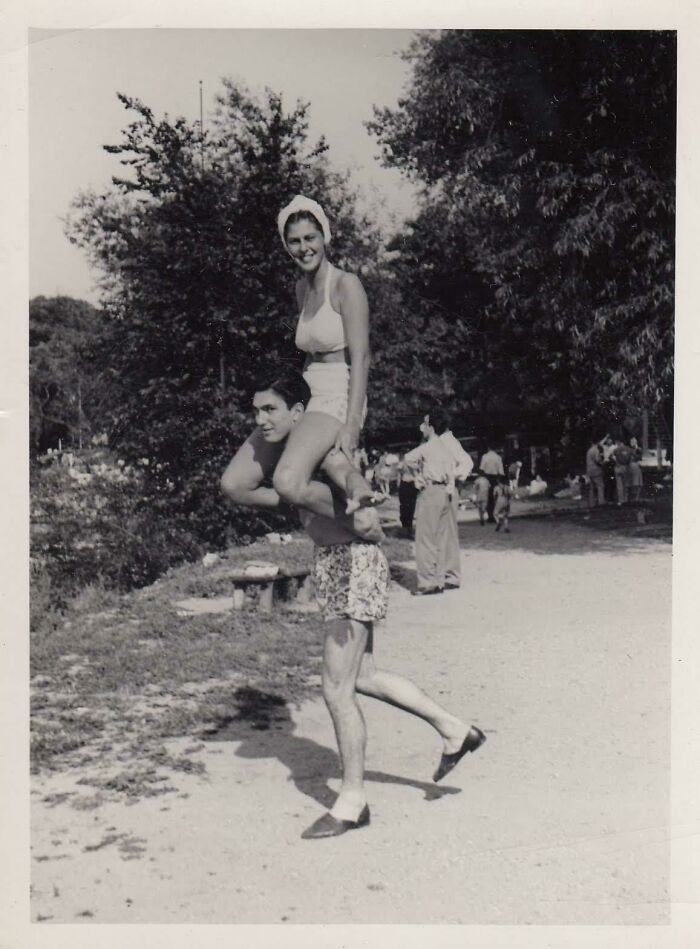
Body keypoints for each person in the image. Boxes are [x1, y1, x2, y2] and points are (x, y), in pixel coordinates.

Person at [224, 372, 486, 837]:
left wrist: (357, 497)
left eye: (270, 409)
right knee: (362, 676)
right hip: (333, 561)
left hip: (352, 562)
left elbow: (348, 478)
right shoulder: (291, 461)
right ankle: (454, 730)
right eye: (256, 411)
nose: (260, 419)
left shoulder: (321, 447)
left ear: (298, 413)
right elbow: (240, 487)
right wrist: (298, 503)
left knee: (335, 687)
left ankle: (352, 802)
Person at [220, 195, 380, 537]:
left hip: (339, 393)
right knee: (235, 484)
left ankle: (363, 521)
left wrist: (352, 423)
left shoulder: (346, 285)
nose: (304, 248)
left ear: (325, 237)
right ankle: (322, 509)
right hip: (306, 395)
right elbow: (309, 353)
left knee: (288, 481)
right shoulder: (301, 289)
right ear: (286, 245)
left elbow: (362, 357)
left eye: (310, 237)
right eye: (294, 241)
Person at [404, 408, 461, 595]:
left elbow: (408, 459)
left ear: (432, 427)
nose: (422, 427)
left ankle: (428, 582)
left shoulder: (427, 447)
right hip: (445, 492)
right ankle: (440, 579)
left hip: (430, 491)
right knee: (442, 537)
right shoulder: (446, 447)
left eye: (425, 424)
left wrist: (417, 476)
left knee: (425, 538)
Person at [478, 442, 504, 524]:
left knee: (488, 497)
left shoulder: (484, 457)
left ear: (488, 448)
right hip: (495, 478)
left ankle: (490, 516)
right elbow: (501, 471)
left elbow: (481, 469)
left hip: (487, 478)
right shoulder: (498, 457)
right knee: (495, 497)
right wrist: (499, 480)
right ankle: (495, 515)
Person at [398, 454, 418, 537]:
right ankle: (407, 526)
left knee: (406, 505)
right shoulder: (413, 464)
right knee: (408, 505)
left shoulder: (404, 463)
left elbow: (399, 473)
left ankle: (407, 526)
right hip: (409, 483)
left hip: (407, 483)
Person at [585, 437, 606, 509]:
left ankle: (591, 503)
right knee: (600, 486)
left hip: (589, 470)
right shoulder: (596, 450)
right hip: (596, 470)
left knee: (591, 487)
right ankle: (601, 501)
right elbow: (597, 460)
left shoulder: (589, 450)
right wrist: (602, 463)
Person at [611, 436, 632, 506]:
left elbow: (611, 457)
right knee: (625, 484)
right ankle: (626, 499)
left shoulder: (616, 449)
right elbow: (630, 458)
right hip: (626, 467)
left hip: (618, 467)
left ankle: (621, 500)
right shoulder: (629, 449)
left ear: (619, 442)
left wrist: (615, 461)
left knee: (619, 485)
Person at [629, 437, 644, 502]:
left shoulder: (638, 449)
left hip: (635, 465)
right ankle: (632, 497)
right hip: (630, 466)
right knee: (632, 482)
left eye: (634, 442)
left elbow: (639, 458)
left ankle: (637, 497)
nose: (632, 443)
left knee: (637, 482)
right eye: (631, 442)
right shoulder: (629, 449)